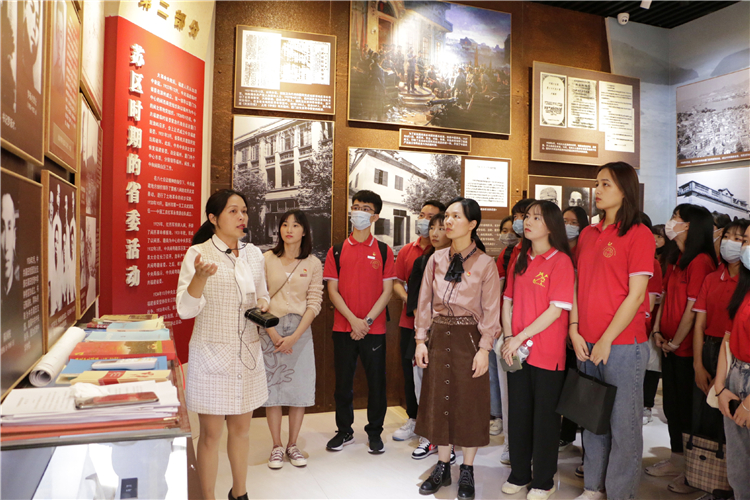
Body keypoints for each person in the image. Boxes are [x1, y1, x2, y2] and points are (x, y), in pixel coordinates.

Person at [176, 189, 270, 500]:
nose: (242, 217)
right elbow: (185, 310)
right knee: (211, 435)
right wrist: (200, 278)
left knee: (242, 431)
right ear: (213, 218)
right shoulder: (198, 254)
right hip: (211, 355)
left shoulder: (254, 254)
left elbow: (262, 294)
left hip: (247, 353)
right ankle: (207, 497)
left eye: (244, 210)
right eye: (233, 211)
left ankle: (239, 493)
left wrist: (264, 304)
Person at [570, 162, 655, 500]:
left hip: (622, 345)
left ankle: (621, 493)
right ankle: (594, 487)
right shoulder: (588, 234)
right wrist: (575, 329)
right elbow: (577, 286)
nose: (598, 190)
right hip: (586, 342)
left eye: (606, 184)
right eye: (597, 183)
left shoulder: (639, 234)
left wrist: (606, 339)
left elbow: (636, 295)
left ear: (625, 189)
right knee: (591, 419)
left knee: (624, 426)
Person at [414, 197, 501, 500]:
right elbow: (424, 301)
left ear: (473, 224)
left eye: (456, 217)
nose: (448, 222)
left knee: (469, 403)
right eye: (447, 216)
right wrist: (421, 340)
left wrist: (485, 348)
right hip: (439, 335)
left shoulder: (486, 264)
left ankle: (467, 468)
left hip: (470, 339)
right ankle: (442, 465)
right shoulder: (435, 259)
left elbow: (491, 311)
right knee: (439, 399)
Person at [500, 200, 575, 500]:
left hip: (547, 353)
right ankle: (519, 474)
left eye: (536, 218)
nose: (527, 222)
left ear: (551, 226)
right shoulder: (520, 257)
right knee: (518, 415)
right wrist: (509, 338)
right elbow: (507, 300)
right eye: (527, 217)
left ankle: (543, 481)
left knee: (545, 420)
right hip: (516, 351)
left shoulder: (561, 261)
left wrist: (519, 337)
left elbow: (556, 310)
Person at [648, 204, 717, 493]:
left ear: (689, 225)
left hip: (686, 348)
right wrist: (657, 330)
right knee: (672, 407)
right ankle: (677, 459)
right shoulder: (676, 258)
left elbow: (693, 308)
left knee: (687, 410)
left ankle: (692, 469)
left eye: (676, 218)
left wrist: (676, 341)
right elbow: (665, 297)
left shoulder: (700, 261)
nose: (671, 222)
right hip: (668, 343)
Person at [322, 190, 395, 455]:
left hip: (374, 329)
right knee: (343, 384)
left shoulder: (384, 251)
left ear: (375, 216)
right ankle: (344, 431)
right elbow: (332, 291)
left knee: (377, 384)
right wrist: (353, 321)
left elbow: (387, 291)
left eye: (365, 208)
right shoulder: (336, 250)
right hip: (343, 328)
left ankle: (375, 433)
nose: (359, 212)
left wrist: (366, 322)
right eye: (356, 207)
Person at [260, 209, 323, 469]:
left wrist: (295, 336)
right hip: (270, 329)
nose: (289, 229)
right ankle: (276, 446)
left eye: (295, 225)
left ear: (304, 231)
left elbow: (314, 302)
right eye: (285, 224)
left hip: (301, 331)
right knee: (273, 391)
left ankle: (292, 444)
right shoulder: (266, 259)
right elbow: (259, 298)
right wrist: (273, 333)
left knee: (299, 389)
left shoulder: (313, 263)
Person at [690, 220, 749, 472]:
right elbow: (715, 330)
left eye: (742, 240)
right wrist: (702, 368)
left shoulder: (744, 282)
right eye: (728, 237)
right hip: (719, 356)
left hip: (738, 365)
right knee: (704, 417)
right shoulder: (720, 280)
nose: (734, 244)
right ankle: (705, 475)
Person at [392, 200, 445, 442]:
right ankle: (415, 420)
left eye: (434, 221)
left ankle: (438, 427)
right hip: (414, 325)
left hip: (444, 328)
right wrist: (416, 309)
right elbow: (401, 285)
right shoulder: (414, 255)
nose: (430, 227)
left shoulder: (458, 257)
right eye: (424, 217)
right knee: (413, 373)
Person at [405, 213, 455, 462]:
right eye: (432, 227)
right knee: (423, 385)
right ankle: (428, 437)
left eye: (441, 228)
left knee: (449, 387)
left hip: (453, 334)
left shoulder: (462, 260)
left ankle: (448, 441)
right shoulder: (422, 261)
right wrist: (424, 331)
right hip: (426, 333)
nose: (435, 233)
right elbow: (416, 302)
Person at [496, 198, 535, 466]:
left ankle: (535, 446)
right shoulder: (511, 252)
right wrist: (505, 333)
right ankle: (512, 444)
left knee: (536, 396)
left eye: (527, 216)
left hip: (538, 335)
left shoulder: (550, 253)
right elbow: (503, 295)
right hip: (510, 334)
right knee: (510, 393)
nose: (522, 222)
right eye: (518, 216)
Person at [714, 222, 750, 499]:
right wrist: (720, 387)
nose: (745, 247)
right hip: (735, 375)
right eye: (746, 241)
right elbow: (728, 338)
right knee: (739, 468)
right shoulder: (745, 287)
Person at [559, 205, 590, 450]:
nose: (567, 225)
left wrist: (574, 326)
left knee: (574, 379)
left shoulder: (585, 250)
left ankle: (569, 431)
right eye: (564, 220)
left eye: (573, 222)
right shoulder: (557, 248)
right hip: (556, 321)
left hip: (577, 322)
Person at [638, 213, 664, 426]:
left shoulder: (653, 263)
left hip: (642, 327)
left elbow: (650, 301)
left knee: (649, 367)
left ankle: (646, 405)